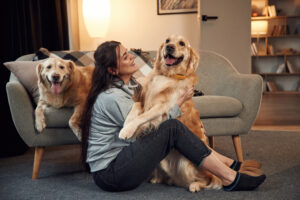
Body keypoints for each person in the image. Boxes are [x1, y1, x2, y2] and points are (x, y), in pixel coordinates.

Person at [80, 41, 266, 192]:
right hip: (111, 175)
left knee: (174, 126)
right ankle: (229, 177)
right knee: (172, 128)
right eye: (124, 56)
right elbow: (144, 130)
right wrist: (178, 105)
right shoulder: (113, 97)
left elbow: (152, 111)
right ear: (113, 70)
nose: (131, 56)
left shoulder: (131, 86)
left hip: (122, 162)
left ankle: (228, 165)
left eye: (128, 52)